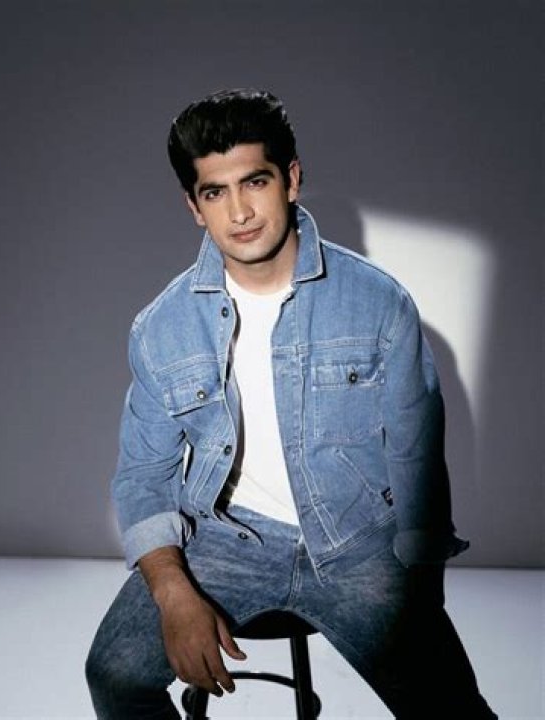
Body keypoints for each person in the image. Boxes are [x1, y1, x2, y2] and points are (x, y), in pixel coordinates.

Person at [86, 89, 496, 719]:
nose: (239, 212)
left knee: (453, 710)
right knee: (114, 673)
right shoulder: (161, 327)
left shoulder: (377, 303)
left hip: (359, 544)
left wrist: (420, 593)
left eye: (255, 181)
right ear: (194, 207)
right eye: (215, 192)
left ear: (292, 179)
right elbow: (143, 476)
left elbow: (417, 456)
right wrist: (173, 593)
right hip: (225, 540)